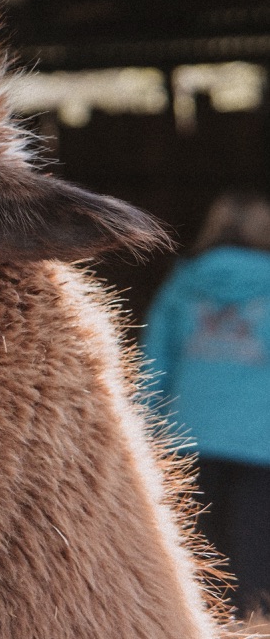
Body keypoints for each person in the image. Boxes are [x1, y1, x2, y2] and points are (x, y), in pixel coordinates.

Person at [142, 190, 270, 617]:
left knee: (194, 560)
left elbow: (153, 364)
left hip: (186, 436)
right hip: (260, 444)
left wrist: (142, 435)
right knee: (255, 564)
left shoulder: (183, 283)